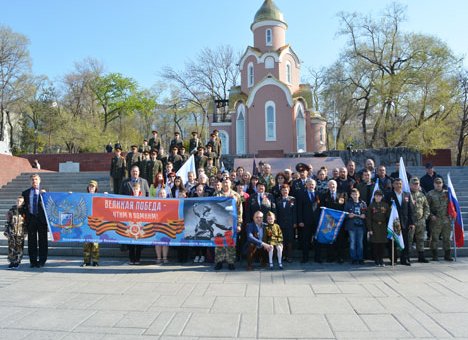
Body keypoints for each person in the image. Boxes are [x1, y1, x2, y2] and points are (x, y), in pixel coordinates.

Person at [120, 166, 150, 265]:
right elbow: (120, 197)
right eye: (133, 171)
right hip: (129, 215)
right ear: (130, 172)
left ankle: (138, 258)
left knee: (139, 237)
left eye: (136, 171)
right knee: (130, 236)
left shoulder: (144, 182)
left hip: (141, 216)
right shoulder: (125, 182)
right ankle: (131, 258)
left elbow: (148, 196)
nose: (135, 173)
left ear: (139, 172)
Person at [214, 178, 242, 270]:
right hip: (219, 222)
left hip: (231, 222)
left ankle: (231, 262)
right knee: (219, 242)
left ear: (231, 184)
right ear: (221, 184)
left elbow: (239, 211)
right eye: (224, 182)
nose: (226, 184)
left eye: (227, 182)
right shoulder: (216, 194)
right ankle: (219, 261)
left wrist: (239, 224)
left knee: (231, 242)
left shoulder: (236, 195)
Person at [385, 178, 414, 266]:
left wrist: (411, 223)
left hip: (405, 222)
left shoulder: (407, 195)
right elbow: (386, 209)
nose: (398, 185)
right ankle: (393, 259)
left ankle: (405, 259)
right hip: (393, 222)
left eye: (400, 184)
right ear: (393, 185)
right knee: (392, 241)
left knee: (405, 241)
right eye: (396, 184)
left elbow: (410, 210)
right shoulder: (388, 195)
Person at [22, 174, 48, 268]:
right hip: (31, 220)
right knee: (31, 241)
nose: (34, 181)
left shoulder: (44, 192)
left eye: (36, 179)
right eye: (32, 179)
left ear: (39, 181)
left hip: (42, 220)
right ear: (30, 181)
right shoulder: (25, 193)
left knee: (43, 241)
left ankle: (42, 261)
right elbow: (22, 207)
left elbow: (52, 203)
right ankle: (33, 261)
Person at [319, 179, 347, 263]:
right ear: (328, 186)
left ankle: (340, 257)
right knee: (330, 238)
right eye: (330, 185)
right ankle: (331, 257)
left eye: (333, 185)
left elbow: (345, 206)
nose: (332, 186)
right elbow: (322, 206)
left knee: (340, 239)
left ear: (336, 185)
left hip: (339, 221)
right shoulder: (324, 195)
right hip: (329, 221)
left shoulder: (343, 194)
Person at [426, 177, 453, 261]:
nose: (438, 184)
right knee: (434, 238)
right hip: (435, 219)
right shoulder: (430, 194)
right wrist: (431, 216)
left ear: (442, 184)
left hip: (446, 219)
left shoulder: (448, 193)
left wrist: (451, 214)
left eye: (440, 183)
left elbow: (452, 205)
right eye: (436, 183)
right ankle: (435, 255)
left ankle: (447, 255)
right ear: (434, 184)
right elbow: (426, 207)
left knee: (447, 238)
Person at [297, 179, 320, 263]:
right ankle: (305, 258)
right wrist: (300, 221)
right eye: (309, 184)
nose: (311, 186)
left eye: (313, 184)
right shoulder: (302, 194)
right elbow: (299, 209)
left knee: (317, 240)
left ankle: (318, 258)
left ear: (315, 185)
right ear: (306, 185)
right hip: (305, 222)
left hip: (317, 221)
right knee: (305, 240)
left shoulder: (318, 194)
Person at [409, 177, 430, 263]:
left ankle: (421, 257)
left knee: (420, 239)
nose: (415, 185)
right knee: (409, 239)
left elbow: (426, 207)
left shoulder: (422, 195)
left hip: (420, 221)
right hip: (410, 222)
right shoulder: (406, 194)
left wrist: (424, 218)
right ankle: (407, 257)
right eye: (414, 184)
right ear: (410, 184)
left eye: (417, 184)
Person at [366, 190, 390, 266]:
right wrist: (370, 229)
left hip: (383, 226)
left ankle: (381, 259)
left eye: (379, 196)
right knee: (375, 245)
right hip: (374, 226)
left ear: (382, 197)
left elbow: (388, 217)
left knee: (382, 245)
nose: (378, 197)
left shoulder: (386, 205)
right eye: (376, 196)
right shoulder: (371, 205)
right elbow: (368, 218)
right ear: (374, 197)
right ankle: (376, 260)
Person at [344, 189, 367, 264]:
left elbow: (366, 213)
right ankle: (353, 258)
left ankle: (360, 258)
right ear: (351, 195)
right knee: (352, 242)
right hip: (351, 226)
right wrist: (348, 215)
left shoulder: (363, 203)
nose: (355, 196)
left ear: (359, 195)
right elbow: (345, 214)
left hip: (360, 226)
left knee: (360, 242)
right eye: (353, 194)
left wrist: (364, 215)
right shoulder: (348, 203)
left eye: (356, 194)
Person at [276, 184, 297, 263]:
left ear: (288, 191)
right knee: (282, 240)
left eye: (286, 190)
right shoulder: (278, 199)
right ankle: (283, 255)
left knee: (290, 240)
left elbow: (295, 212)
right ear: (281, 191)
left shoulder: (292, 199)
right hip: (280, 223)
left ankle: (289, 256)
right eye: (283, 190)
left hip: (290, 223)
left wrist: (295, 222)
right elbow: (276, 212)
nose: (284, 191)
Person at [4, 196, 26, 269]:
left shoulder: (24, 211)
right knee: (11, 247)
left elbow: (26, 223)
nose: (19, 202)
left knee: (19, 248)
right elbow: (8, 221)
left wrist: (25, 232)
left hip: (20, 232)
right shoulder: (11, 210)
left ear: (23, 203)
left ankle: (17, 262)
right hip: (12, 232)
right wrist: (6, 231)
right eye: (18, 201)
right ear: (16, 201)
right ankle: (11, 261)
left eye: (21, 201)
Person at [81, 180, 100, 267]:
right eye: (90, 186)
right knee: (86, 243)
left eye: (93, 186)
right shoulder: (84, 197)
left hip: (95, 222)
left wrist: (107, 196)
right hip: (86, 222)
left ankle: (95, 261)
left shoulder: (99, 197)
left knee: (95, 243)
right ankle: (86, 261)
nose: (91, 188)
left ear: (96, 188)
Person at [155, 188, 170, 264]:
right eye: (160, 193)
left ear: (166, 194)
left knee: (165, 242)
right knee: (157, 242)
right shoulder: (155, 203)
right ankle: (158, 257)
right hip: (157, 224)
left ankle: (165, 257)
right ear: (158, 195)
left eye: (163, 193)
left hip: (166, 225)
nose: (162, 195)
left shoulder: (170, 202)